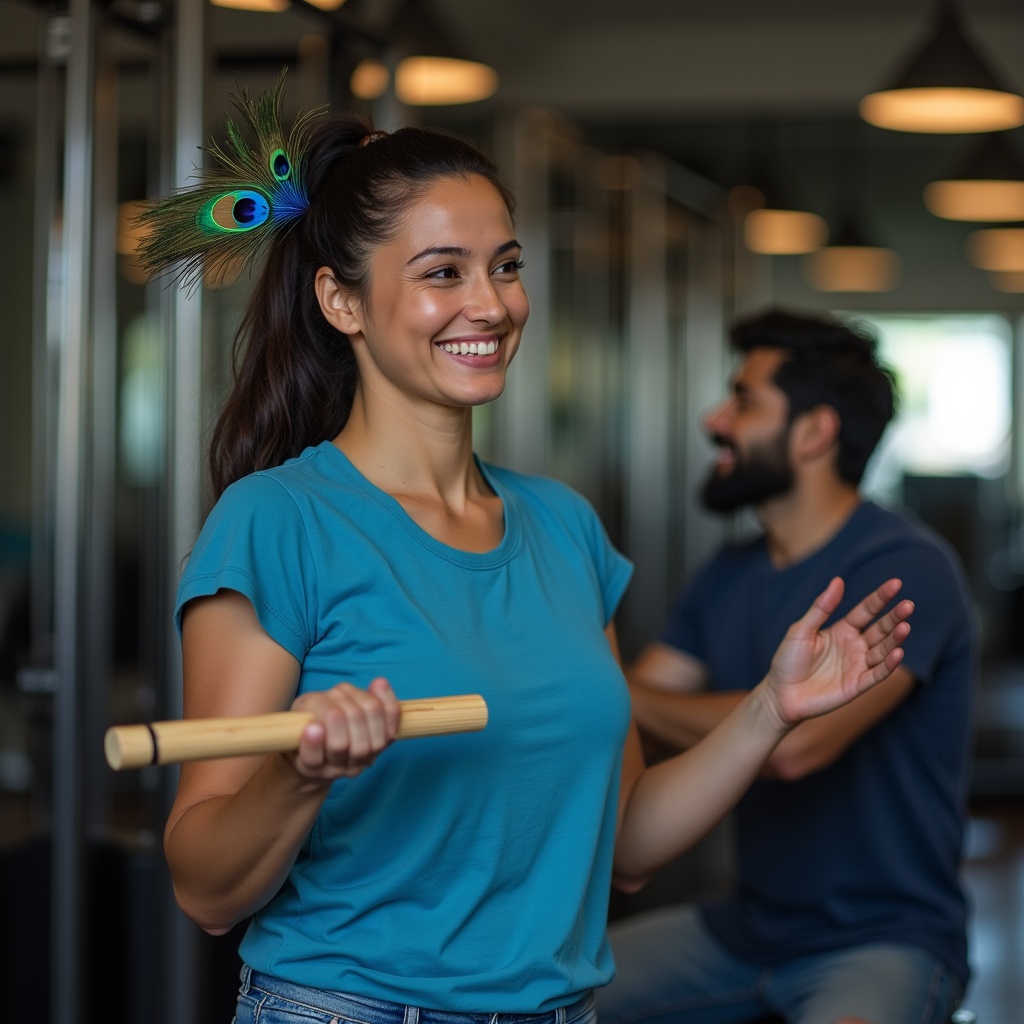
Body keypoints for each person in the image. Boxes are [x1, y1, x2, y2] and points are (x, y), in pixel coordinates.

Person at [138, 78, 913, 1024]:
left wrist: (767, 712)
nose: (491, 304)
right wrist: (300, 774)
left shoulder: (565, 527)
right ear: (342, 302)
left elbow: (623, 843)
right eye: (441, 273)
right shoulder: (277, 522)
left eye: (504, 266)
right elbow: (205, 888)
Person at [595, 308, 976, 1024]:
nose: (715, 420)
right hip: (743, 929)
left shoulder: (905, 569)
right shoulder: (727, 572)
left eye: (743, 401)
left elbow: (797, 743)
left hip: (884, 944)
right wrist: (614, 691)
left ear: (814, 432)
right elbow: (633, 700)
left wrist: (610, 684)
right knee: (553, 998)